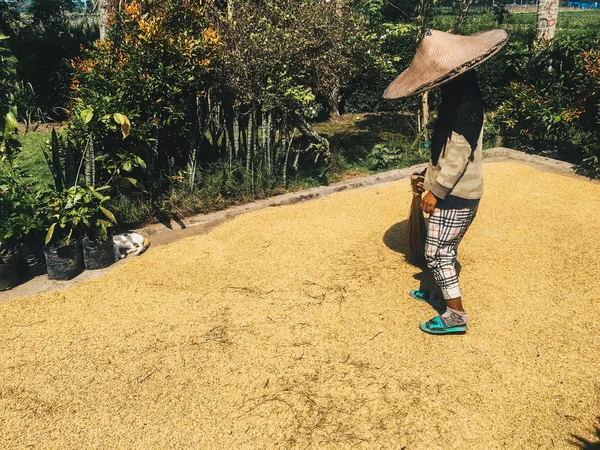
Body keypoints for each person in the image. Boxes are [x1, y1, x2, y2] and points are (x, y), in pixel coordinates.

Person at [383, 29, 509, 334]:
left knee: (437, 253)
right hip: (453, 190)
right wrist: (427, 178)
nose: (436, 86)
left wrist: (436, 192)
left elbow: (459, 153)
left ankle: (456, 316)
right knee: (443, 250)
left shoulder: (467, 107)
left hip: (457, 195)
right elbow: (446, 152)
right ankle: (440, 294)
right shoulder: (458, 101)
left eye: (440, 79)